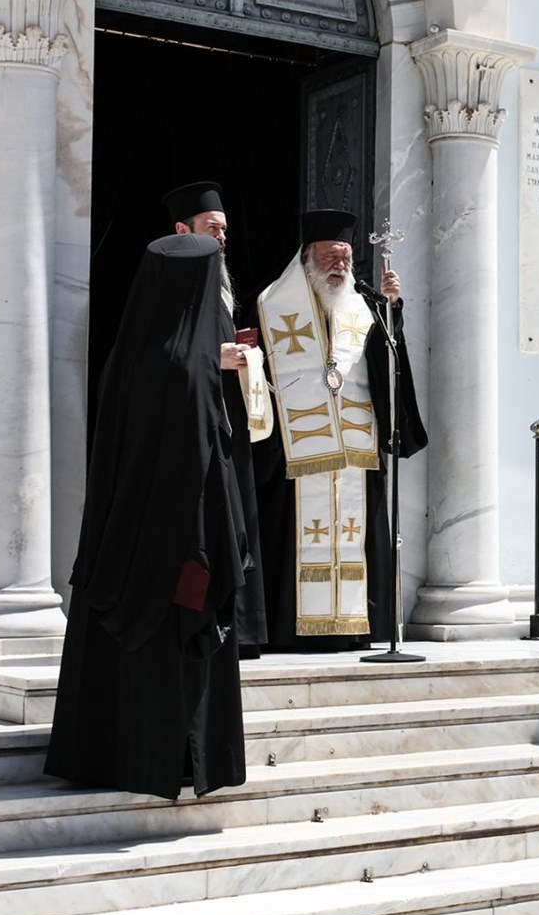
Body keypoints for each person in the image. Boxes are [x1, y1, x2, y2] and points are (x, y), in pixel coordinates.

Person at [45, 233, 248, 799]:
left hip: (124, 541)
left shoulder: (132, 354)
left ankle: (107, 757)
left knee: (123, 664)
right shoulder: (192, 370)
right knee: (173, 662)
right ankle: (175, 764)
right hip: (181, 544)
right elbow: (204, 468)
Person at [249, 209, 426, 652]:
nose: (339, 266)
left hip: (355, 447)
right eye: (330, 257)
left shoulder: (365, 304)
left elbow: (385, 366)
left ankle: (354, 628)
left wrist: (393, 310)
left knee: (356, 537)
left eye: (345, 257)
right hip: (298, 448)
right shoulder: (272, 305)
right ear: (307, 258)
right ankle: (290, 631)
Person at [163, 181, 269, 656]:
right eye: (212, 228)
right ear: (182, 230)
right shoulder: (169, 282)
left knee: (235, 525)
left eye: (224, 230)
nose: (222, 237)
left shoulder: (221, 284)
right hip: (190, 431)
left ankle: (238, 631)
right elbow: (161, 356)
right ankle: (200, 629)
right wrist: (214, 358)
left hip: (227, 421)